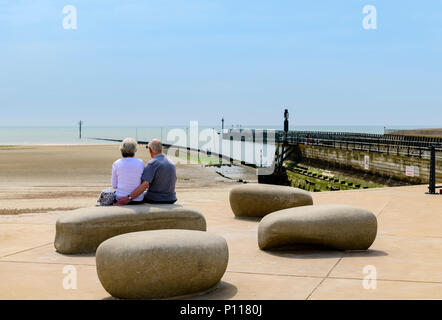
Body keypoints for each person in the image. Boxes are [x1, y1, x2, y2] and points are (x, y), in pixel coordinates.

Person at [116, 139, 177, 206]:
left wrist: (128, 198)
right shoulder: (171, 162)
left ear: (150, 150)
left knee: (139, 196)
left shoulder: (153, 163)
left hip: (157, 199)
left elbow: (144, 185)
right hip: (172, 198)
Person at [111, 138, 145, 205]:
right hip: (138, 199)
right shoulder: (140, 162)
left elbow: (114, 185)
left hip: (120, 198)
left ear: (122, 150)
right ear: (134, 150)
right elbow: (142, 182)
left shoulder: (116, 163)